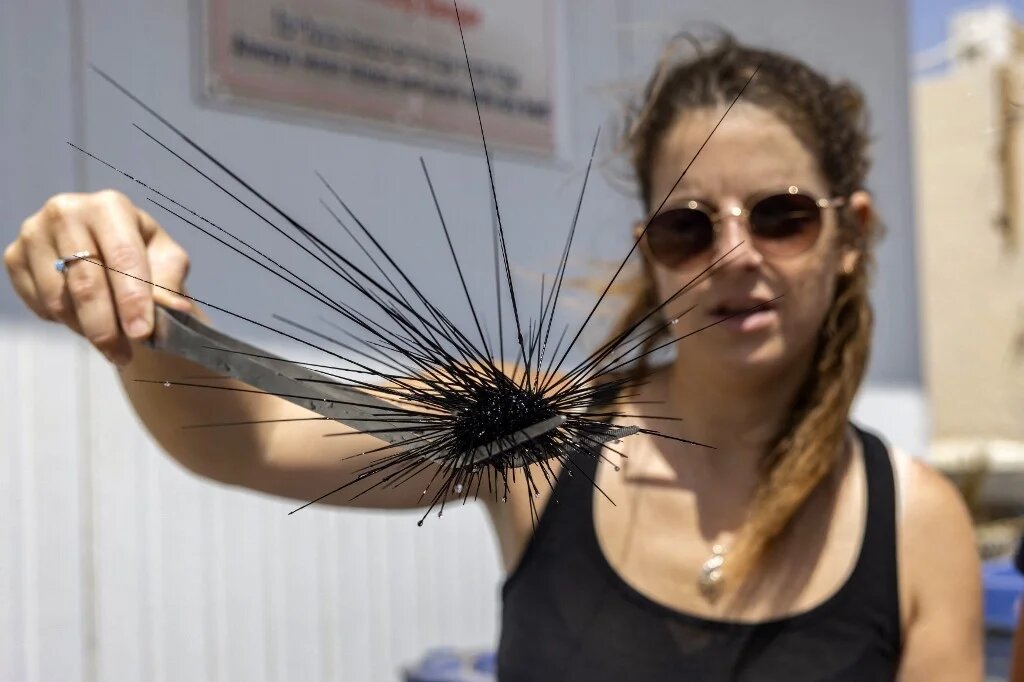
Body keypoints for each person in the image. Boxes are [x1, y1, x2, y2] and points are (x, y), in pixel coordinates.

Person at [4, 32, 982, 681]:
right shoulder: (534, 437)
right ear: (652, 250)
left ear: (849, 232)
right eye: (689, 227)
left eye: (779, 216)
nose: (734, 253)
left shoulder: (917, 520)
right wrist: (136, 311)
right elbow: (247, 431)